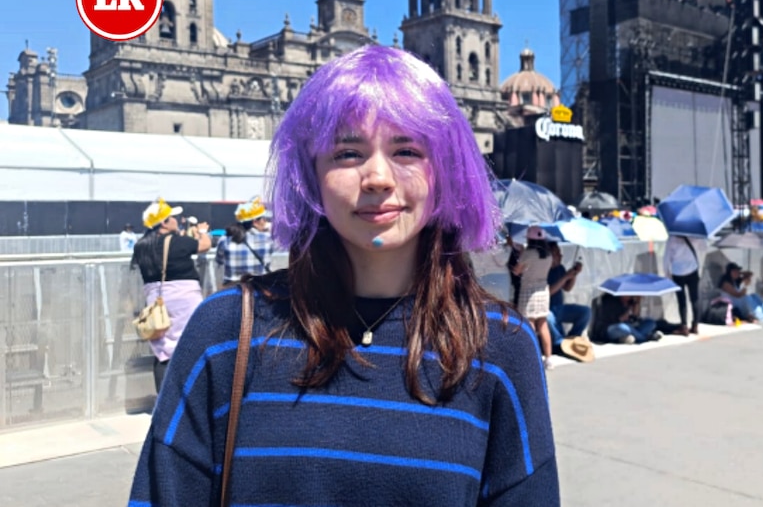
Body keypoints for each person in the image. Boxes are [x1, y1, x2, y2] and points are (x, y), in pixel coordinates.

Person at [129, 46, 559, 505]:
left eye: (407, 149)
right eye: (348, 152)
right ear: (308, 175)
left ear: (446, 172)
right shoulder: (223, 334)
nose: (377, 176)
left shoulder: (501, 348)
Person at [130, 199, 211, 392]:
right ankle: (190, 394)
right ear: (164, 222)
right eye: (172, 217)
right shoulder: (177, 242)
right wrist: (202, 231)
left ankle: (163, 398)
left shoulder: (141, 246)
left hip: (156, 301)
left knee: (162, 350)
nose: (176, 220)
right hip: (184, 298)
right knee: (191, 343)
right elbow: (205, 245)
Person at [512, 227, 556, 370]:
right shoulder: (548, 255)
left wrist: (519, 255)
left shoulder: (528, 253)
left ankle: (533, 357)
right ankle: (548, 358)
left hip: (528, 290)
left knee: (529, 323)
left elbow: (517, 271)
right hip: (543, 290)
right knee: (543, 324)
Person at [214, 196, 275, 286]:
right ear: (255, 221)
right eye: (263, 218)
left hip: (232, 288)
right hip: (258, 287)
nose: (265, 221)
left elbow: (219, 261)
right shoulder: (267, 239)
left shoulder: (225, 240)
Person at [545, 243, 592, 343]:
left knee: (585, 312)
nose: (561, 256)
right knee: (548, 318)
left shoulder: (560, 268)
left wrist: (574, 274)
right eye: (557, 253)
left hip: (560, 308)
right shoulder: (543, 270)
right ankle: (559, 342)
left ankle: (573, 338)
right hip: (548, 308)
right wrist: (565, 277)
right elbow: (548, 292)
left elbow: (567, 288)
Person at [663, 233, 708, 334]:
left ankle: (683, 326)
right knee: (695, 298)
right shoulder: (694, 235)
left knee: (681, 299)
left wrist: (667, 273)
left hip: (677, 271)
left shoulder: (672, 238)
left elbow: (667, 257)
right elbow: (704, 247)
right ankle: (695, 325)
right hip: (692, 269)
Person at [717, 263, 763, 329]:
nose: (737, 273)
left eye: (737, 271)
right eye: (735, 271)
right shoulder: (725, 283)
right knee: (748, 297)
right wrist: (745, 285)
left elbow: (750, 274)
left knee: (754, 295)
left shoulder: (735, 281)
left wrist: (740, 273)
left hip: (739, 302)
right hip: (733, 305)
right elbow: (737, 295)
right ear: (730, 272)